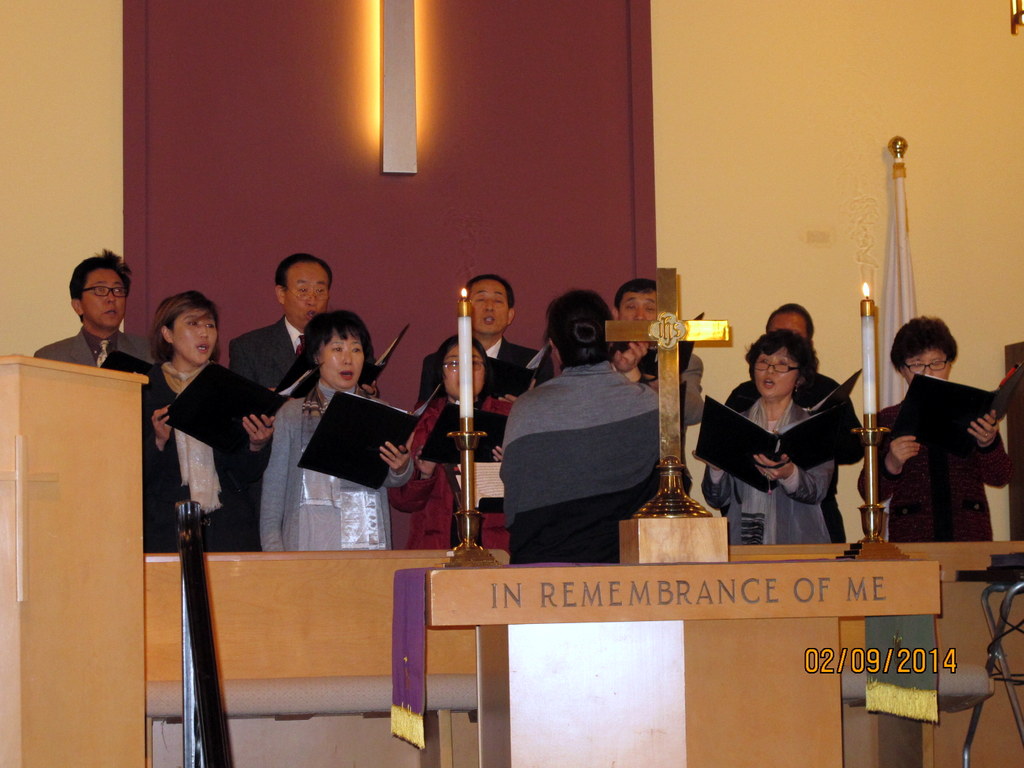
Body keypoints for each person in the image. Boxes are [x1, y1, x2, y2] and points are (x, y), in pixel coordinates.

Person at [501, 290, 659, 564]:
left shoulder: (527, 409)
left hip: (544, 566)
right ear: (609, 339)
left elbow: (515, 505)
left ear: (554, 346)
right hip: (627, 566)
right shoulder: (648, 404)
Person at [260, 310, 413, 551]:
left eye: (356, 349)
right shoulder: (291, 414)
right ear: (316, 356)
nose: (348, 359)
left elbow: (389, 479)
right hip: (305, 543)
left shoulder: (379, 411)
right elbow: (273, 492)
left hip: (368, 546)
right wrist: (274, 552)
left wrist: (401, 466)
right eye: (337, 349)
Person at [142, 291, 275, 553]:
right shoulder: (145, 388)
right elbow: (131, 476)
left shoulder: (228, 386)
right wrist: (157, 441)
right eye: (193, 324)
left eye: (210, 325)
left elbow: (246, 474)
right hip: (166, 529)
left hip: (229, 529)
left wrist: (256, 445)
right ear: (167, 334)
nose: (204, 333)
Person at [860, 316, 1011, 542]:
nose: (928, 372)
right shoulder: (887, 419)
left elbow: (1000, 477)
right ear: (902, 370)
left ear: (949, 364)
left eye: (936, 362)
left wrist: (988, 444)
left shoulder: (973, 411)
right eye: (917, 364)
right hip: (912, 538)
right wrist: (891, 463)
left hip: (969, 535)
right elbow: (868, 491)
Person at [725, 303, 860, 543]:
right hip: (747, 523)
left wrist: (800, 455)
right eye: (776, 336)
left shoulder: (827, 390)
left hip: (808, 517)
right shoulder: (743, 395)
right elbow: (721, 488)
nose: (772, 370)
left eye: (794, 337)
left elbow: (853, 450)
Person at [701, 329, 832, 545]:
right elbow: (715, 499)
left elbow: (818, 491)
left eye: (782, 364)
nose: (769, 371)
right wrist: (716, 469)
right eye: (763, 362)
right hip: (741, 547)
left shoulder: (815, 427)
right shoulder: (733, 425)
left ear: (799, 377)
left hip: (799, 545)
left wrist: (789, 474)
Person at [390, 335, 513, 550]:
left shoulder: (509, 416)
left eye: (474, 363)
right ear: (441, 373)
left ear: (485, 371)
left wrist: (513, 469)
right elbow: (404, 502)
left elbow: (534, 495)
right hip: (436, 546)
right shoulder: (423, 419)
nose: (465, 371)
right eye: (454, 363)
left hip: (496, 546)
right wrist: (424, 475)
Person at [417, 273, 554, 401]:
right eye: (481, 299)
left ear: (510, 316)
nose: (489, 307)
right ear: (464, 310)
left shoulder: (533, 364)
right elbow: (425, 415)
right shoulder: (436, 362)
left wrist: (521, 410)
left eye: (498, 301)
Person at [610, 277, 704, 429]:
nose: (639, 316)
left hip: (661, 443)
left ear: (663, 317)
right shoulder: (602, 360)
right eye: (631, 307)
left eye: (649, 309)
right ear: (616, 314)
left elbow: (694, 414)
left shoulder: (682, 360)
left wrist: (668, 385)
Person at [229, 253, 332, 388]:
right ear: (281, 294)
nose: (312, 300)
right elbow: (241, 399)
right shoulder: (248, 348)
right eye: (303, 290)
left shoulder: (350, 346)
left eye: (320, 291)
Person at [35, 250, 152, 365]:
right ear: (78, 306)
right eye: (100, 290)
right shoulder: (49, 359)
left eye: (118, 290)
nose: (111, 298)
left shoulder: (151, 353)